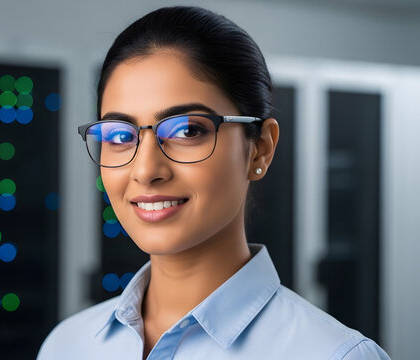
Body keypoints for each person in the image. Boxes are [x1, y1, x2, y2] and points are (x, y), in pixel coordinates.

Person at [37, 5, 391, 360]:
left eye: (187, 130)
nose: (145, 170)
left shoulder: (335, 355)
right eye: (118, 136)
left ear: (260, 149)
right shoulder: (67, 345)